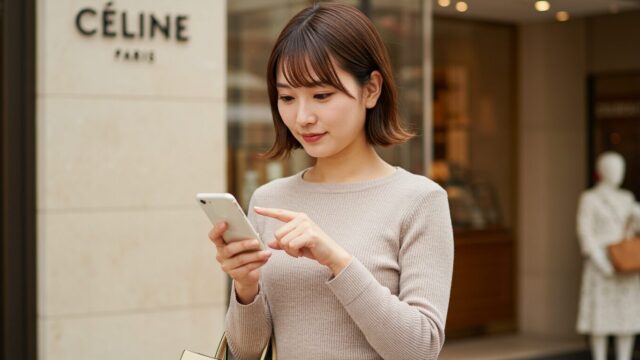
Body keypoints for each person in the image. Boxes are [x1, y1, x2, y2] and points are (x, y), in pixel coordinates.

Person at [208, 3, 454, 359]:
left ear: (371, 90)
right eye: (287, 97)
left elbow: (419, 350)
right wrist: (245, 287)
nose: (303, 116)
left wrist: (336, 260)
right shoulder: (269, 199)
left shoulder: (419, 200)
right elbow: (247, 351)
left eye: (321, 95)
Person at [576, 151, 640, 360]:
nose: (618, 173)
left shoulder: (627, 198)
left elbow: (631, 233)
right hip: (601, 264)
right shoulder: (590, 198)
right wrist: (601, 261)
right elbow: (585, 232)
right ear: (602, 171)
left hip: (626, 265)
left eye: (621, 168)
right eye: (613, 168)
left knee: (626, 321)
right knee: (600, 321)